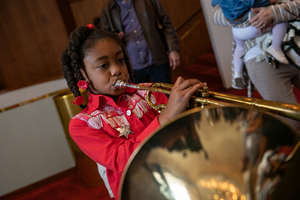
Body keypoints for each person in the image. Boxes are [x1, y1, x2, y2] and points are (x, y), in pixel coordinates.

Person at [60, 24, 206, 200]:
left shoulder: (149, 91)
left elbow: (183, 131)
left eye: (120, 60)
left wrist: (192, 105)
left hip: (178, 174)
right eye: (103, 65)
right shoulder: (82, 124)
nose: (117, 70)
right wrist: (166, 117)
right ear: (82, 75)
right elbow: (120, 159)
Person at [212, 1, 300, 131]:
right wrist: (248, 15)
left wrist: (274, 12)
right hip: (260, 58)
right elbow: (216, 16)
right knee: (291, 123)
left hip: (295, 45)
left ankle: (237, 72)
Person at [98, 0, 180, 84]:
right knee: (139, 97)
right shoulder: (107, 9)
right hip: (131, 67)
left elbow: (166, 24)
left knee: (167, 96)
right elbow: (105, 40)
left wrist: (173, 49)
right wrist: (115, 38)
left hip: (157, 59)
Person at [212, 0, 288, 88]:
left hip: (237, 30)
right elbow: (254, 3)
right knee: (280, 19)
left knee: (239, 47)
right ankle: (276, 47)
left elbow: (215, 3)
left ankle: (237, 73)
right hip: (252, 26)